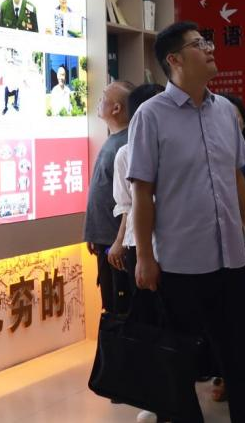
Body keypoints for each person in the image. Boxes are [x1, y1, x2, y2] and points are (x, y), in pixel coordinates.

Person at [128, 21, 245, 423]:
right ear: (174, 59)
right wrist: (144, 257)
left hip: (230, 258)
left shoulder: (224, 111)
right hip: (179, 263)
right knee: (180, 363)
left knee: (241, 358)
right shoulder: (150, 116)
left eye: (207, 42)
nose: (209, 49)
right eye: (198, 44)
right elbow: (142, 192)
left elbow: (235, 176)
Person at [105, 82, 163, 423]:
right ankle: (155, 398)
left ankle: (178, 395)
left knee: (178, 325)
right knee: (148, 324)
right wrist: (127, 246)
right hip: (142, 249)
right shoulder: (126, 154)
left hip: (180, 248)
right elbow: (127, 206)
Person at [84, 80, 135, 318]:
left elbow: (130, 203)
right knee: (111, 305)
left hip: (116, 247)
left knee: (120, 311)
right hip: (106, 241)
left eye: (104, 96)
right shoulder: (114, 140)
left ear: (116, 108)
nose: (99, 100)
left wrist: (120, 241)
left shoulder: (125, 145)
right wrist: (93, 234)